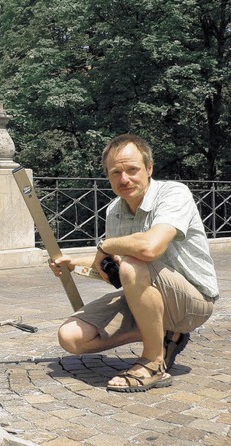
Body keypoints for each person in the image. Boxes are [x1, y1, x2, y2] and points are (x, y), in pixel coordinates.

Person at [50, 134, 219, 392]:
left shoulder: (173, 193)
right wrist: (73, 264)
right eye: (115, 172)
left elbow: (149, 249)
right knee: (71, 338)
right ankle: (161, 333)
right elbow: (114, 265)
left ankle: (153, 363)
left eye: (132, 169)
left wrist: (105, 246)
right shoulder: (114, 210)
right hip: (145, 290)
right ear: (107, 176)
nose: (124, 179)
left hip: (193, 302)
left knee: (133, 263)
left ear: (149, 169)